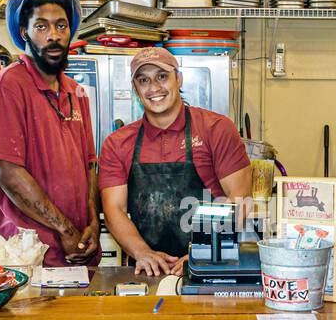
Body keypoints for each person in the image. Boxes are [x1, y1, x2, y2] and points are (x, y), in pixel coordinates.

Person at [99, 47, 251, 276]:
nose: (154, 88)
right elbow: (114, 209)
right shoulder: (117, 143)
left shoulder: (217, 129)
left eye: (162, 76)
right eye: (143, 80)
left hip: (211, 266)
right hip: (148, 271)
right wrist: (142, 253)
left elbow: (239, 200)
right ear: (135, 89)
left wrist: (205, 251)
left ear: (178, 78)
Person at [0, 0, 101, 267]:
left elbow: (89, 165)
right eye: (41, 26)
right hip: (32, 256)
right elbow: (9, 175)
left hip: (80, 250)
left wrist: (93, 223)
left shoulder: (75, 91)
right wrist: (66, 231)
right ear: (24, 32)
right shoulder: (8, 87)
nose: (54, 36)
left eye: (61, 26)